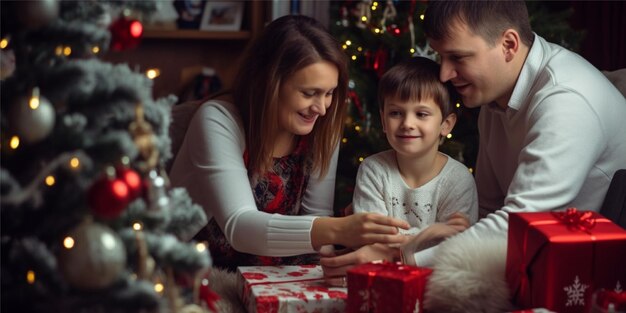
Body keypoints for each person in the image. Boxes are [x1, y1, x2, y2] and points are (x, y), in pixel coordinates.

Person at [321, 0, 626, 275]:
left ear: (508, 44)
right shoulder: (495, 100)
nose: (444, 74)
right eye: (441, 57)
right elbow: (487, 212)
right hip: (535, 261)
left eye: (458, 57)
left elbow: (517, 227)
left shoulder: (566, 101)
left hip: (589, 274)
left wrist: (399, 256)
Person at [168, 15, 410, 271]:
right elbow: (240, 227)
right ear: (268, 83)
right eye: (309, 93)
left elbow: (316, 217)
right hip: (198, 274)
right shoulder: (219, 120)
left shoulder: (321, 126)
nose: (322, 108)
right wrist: (338, 229)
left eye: (329, 93)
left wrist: (333, 262)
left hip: (277, 276)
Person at [352, 57, 478, 243]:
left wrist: (400, 243)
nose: (407, 124)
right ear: (384, 120)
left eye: (421, 114)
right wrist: (434, 233)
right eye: (395, 113)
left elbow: (453, 248)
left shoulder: (458, 180)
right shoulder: (373, 170)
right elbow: (372, 242)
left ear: (446, 124)